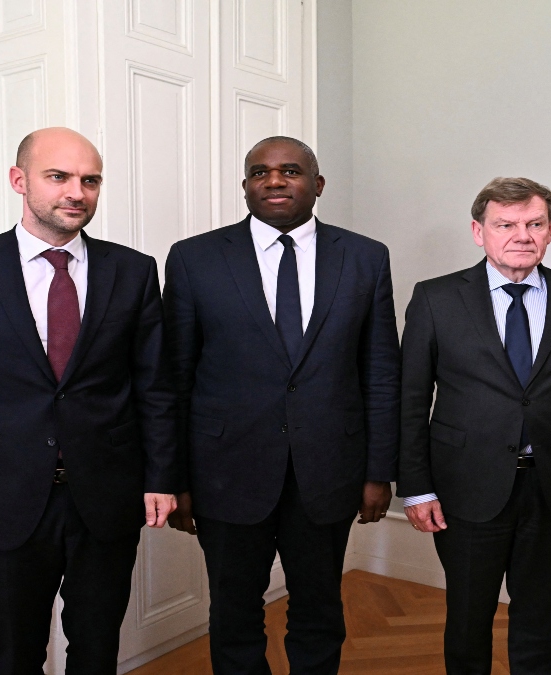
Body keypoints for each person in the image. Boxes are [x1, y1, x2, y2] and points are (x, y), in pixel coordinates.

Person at [0, 127, 178, 675]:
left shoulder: (134, 270)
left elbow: (155, 385)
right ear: (19, 180)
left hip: (107, 495)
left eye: (90, 180)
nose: (77, 191)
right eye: (59, 176)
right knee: (13, 652)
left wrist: (161, 476)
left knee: (97, 649)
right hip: (0, 496)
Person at [163, 136, 400, 675]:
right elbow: (173, 379)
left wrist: (379, 471)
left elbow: (382, 373)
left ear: (316, 185)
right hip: (225, 473)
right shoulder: (194, 258)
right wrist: (174, 476)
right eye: (259, 172)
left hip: (330, 471)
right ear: (245, 185)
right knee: (233, 611)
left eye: (290, 171)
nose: (274, 180)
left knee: (319, 608)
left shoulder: (365, 257)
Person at [398, 177, 551, 675]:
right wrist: (415, 488)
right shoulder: (435, 298)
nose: (522, 235)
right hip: (465, 485)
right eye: (506, 224)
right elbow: (411, 400)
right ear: (479, 231)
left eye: (534, 223)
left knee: (540, 618)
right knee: (469, 618)